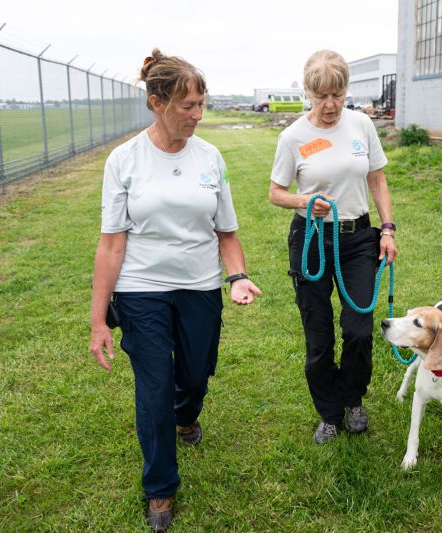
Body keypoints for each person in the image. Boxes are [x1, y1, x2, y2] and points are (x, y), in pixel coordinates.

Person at [89, 48, 262, 532]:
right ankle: (160, 488)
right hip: (141, 287)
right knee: (154, 387)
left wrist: (237, 276)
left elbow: (226, 232)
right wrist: (99, 320)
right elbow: (110, 245)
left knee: (194, 375)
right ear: (156, 101)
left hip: (200, 286)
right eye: (188, 105)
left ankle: (188, 415)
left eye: (201, 104)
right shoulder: (123, 160)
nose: (197, 115)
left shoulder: (211, 156)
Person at [268, 50, 397, 445]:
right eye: (321, 96)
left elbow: (377, 180)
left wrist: (387, 228)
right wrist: (304, 201)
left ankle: (352, 399)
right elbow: (276, 193)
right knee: (319, 335)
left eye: (337, 95)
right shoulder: (293, 137)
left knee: (359, 330)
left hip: (358, 240)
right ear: (307, 91)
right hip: (312, 241)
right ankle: (328, 412)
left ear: (346, 90)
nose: (330, 106)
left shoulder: (361, 125)